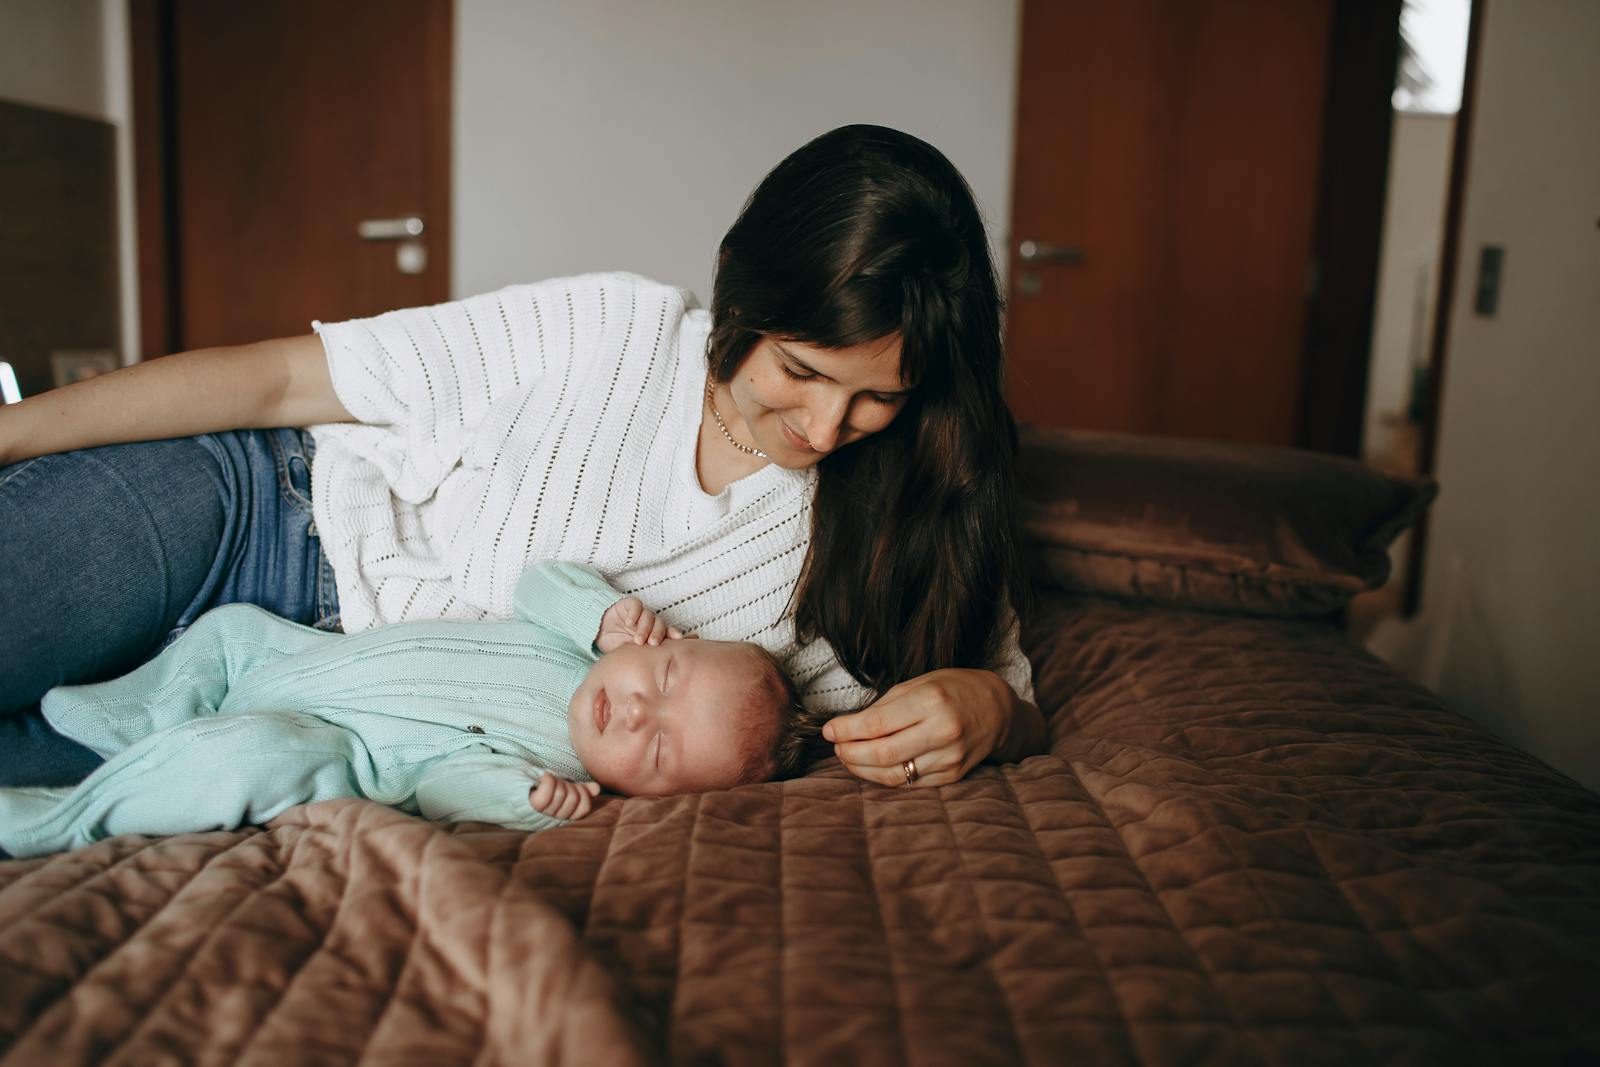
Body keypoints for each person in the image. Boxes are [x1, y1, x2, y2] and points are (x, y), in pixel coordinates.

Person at [0, 123, 1044, 793]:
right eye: (801, 370)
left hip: (330, 721)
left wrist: (991, 710)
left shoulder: (917, 506)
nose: (822, 428)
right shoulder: (615, 326)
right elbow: (284, 379)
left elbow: (1006, 686)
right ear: (741, 293)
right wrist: (13, 430)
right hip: (261, 516)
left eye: (876, 399)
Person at [0, 561, 807, 859]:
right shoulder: (579, 642)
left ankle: (66, 821)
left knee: (246, 756)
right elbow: (535, 580)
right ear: (657, 641)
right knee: (231, 629)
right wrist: (599, 612)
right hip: (301, 660)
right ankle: (142, 715)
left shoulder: (552, 772)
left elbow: (443, 794)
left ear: (656, 800)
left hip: (332, 743)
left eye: (659, 751)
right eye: (660, 679)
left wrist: (524, 804)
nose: (634, 714)